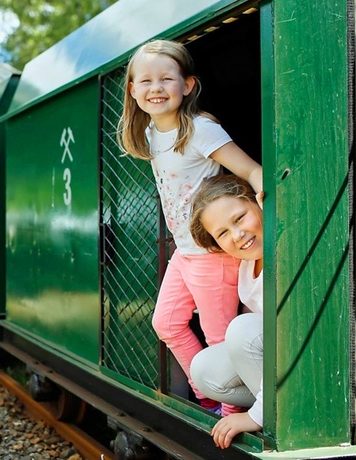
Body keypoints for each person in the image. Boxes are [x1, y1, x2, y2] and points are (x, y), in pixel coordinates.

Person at [117, 39, 262, 415]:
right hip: (186, 252)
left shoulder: (199, 130)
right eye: (145, 81)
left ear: (188, 85)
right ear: (132, 91)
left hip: (212, 254)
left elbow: (250, 170)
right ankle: (210, 400)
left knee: (220, 339)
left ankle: (233, 414)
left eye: (167, 78)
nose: (156, 88)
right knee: (165, 322)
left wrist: (265, 198)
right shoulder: (151, 134)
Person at [188, 174, 265, 449]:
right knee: (204, 369)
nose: (237, 235)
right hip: (277, 364)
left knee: (242, 329)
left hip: (305, 358)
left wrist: (254, 416)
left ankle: (275, 414)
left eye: (239, 218)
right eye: (222, 233)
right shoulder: (247, 265)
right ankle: (273, 404)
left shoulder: (285, 252)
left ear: (257, 201)